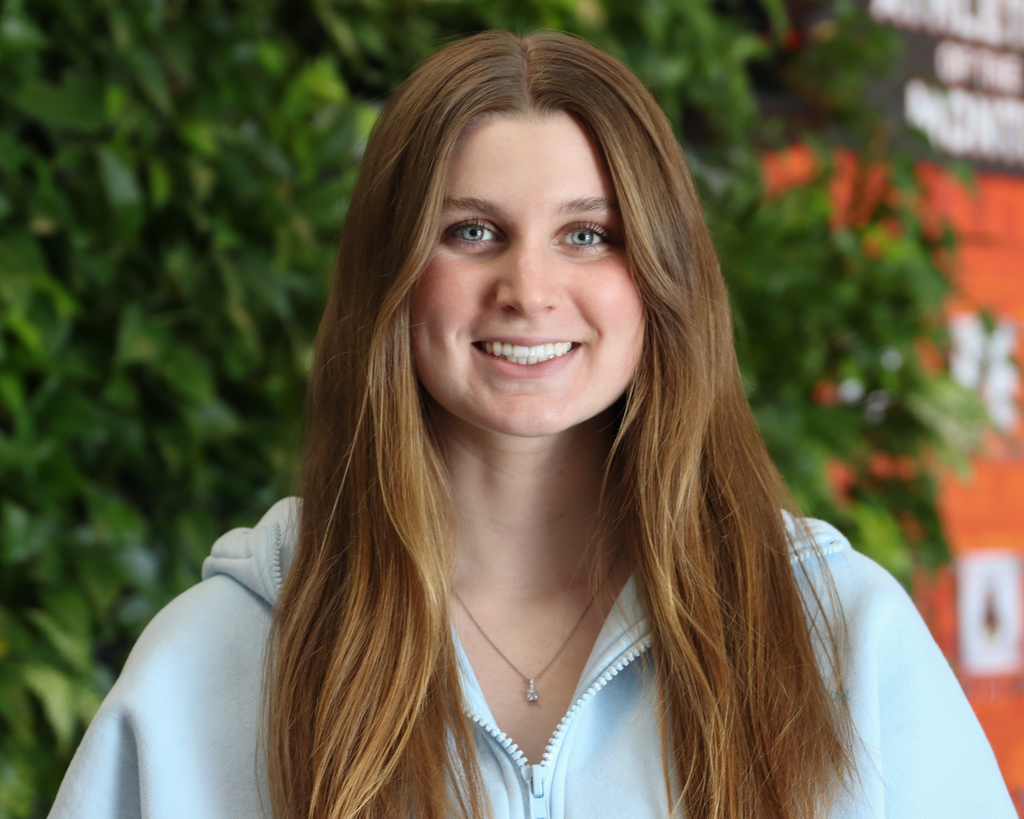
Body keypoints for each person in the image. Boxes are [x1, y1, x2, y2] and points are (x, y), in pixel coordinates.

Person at [49, 29, 1013, 819]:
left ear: (659, 280)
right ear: (392, 273)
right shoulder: (214, 660)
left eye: (587, 235)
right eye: (472, 231)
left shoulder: (841, 638)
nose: (530, 290)